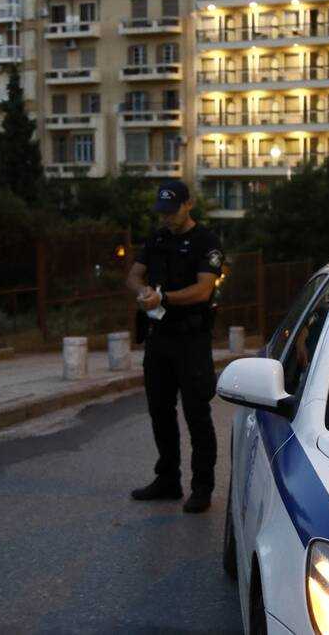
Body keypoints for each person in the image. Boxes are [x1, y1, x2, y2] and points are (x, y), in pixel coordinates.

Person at [125, 180, 223, 513]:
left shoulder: (206, 241)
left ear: (188, 204)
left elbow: (203, 289)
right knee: (160, 411)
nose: (166, 217)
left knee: (197, 414)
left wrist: (163, 298)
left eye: (172, 211)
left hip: (191, 340)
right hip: (159, 339)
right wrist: (142, 292)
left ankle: (202, 487)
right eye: (162, 212)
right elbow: (133, 275)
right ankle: (167, 479)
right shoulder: (157, 239)